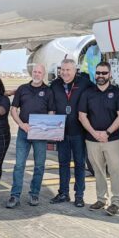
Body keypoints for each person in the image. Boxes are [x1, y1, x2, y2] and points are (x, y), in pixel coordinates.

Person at [79, 61, 119, 216]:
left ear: (110, 74)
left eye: (104, 73)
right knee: (98, 171)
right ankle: (101, 199)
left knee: (115, 170)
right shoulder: (88, 93)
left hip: (111, 139)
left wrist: (107, 132)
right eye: (98, 73)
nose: (100, 76)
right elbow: (82, 115)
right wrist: (94, 133)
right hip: (92, 139)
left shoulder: (118, 93)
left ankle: (116, 202)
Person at [6, 64, 55, 208]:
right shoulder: (22, 89)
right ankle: (15, 196)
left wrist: (45, 128)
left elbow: (51, 112)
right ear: (31, 73)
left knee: (39, 165)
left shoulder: (48, 91)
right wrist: (22, 125)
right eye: (35, 71)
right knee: (19, 165)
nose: (37, 74)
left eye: (39, 72)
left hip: (40, 133)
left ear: (43, 74)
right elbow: (14, 110)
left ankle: (34, 194)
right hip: (24, 131)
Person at [50, 59, 93, 207]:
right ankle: (63, 193)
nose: (65, 72)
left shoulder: (85, 83)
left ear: (75, 70)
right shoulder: (55, 84)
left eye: (68, 70)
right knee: (63, 163)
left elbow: (95, 98)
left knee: (80, 164)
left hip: (78, 132)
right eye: (62, 69)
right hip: (61, 131)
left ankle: (79, 195)